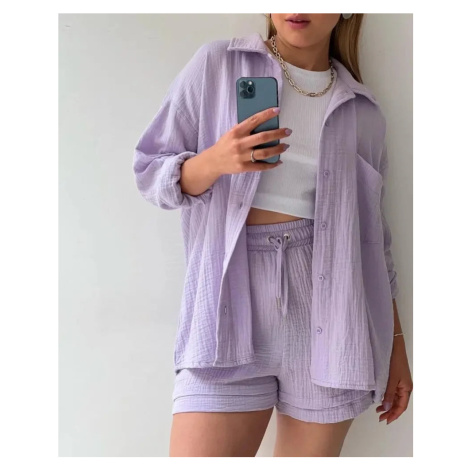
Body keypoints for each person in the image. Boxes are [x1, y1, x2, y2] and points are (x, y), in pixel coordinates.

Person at [133, 13, 413, 457]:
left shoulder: (362, 110)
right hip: (227, 305)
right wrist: (214, 161)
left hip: (332, 310)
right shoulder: (218, 65)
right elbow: (150, 173)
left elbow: (374, 242)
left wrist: (396, 345)